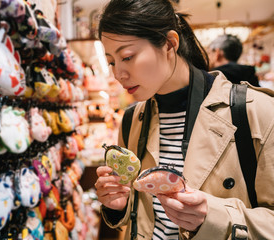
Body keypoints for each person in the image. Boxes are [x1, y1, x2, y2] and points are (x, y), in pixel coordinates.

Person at [94, 0, 274, 239]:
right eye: (111, 62)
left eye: (127, 57)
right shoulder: (131, 120)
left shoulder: (253, 110)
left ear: (170, 44)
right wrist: (120, 206)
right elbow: (147, 218)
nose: (118, 74)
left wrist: (214, 218)